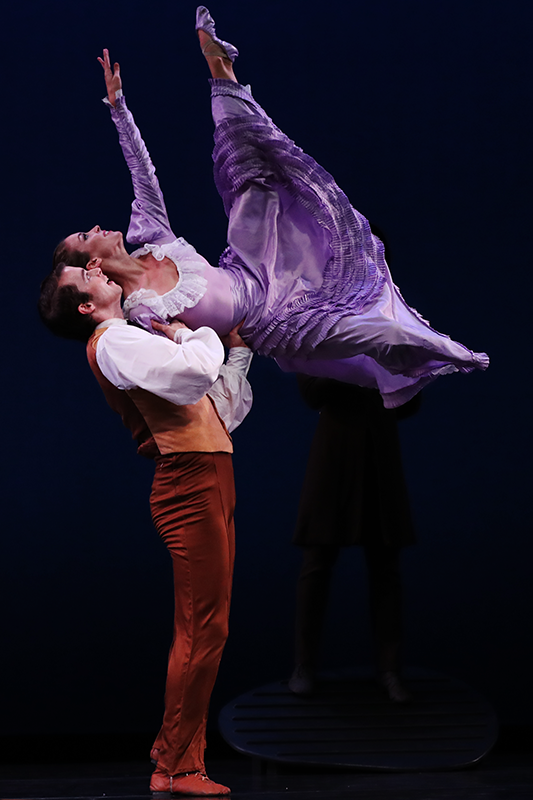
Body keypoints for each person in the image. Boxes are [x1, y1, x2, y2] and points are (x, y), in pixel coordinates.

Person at [52, 6, 488, 411]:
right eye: (86, 236)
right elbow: (182, 363)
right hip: (274, 321)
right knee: (381, 332)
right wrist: (231, 355)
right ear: (93, 263)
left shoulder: (152, 239)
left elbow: (142, 173)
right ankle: (448, 353)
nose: (95, 226)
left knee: (253, 172)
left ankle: (223, 75)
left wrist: (119, 109)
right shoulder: (141, 310)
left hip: (252, 262)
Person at [38, 262, 253, 796]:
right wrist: (187, 332)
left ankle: (173, 749)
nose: (94, 269)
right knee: (203, 627)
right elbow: (197, 373)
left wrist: (232, 350)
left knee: (208, 626)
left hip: (209, 472)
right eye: (80, 273)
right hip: (188, 483)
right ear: (85, 306)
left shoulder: (130, 337)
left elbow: (213, 408)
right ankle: (177, 767)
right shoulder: (113, 342)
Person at [289, 376, 417, 703]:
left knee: (386, 567)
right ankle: (303, 665)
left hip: (379, 451)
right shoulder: (325, 332)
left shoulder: (391, 336)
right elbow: (312, 393)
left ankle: (389, 669)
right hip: (334, 452)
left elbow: (410, 403)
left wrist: (390, 370)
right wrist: (351, 361)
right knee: (317, 563)